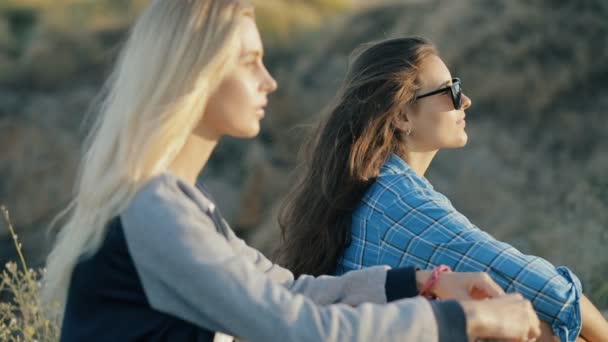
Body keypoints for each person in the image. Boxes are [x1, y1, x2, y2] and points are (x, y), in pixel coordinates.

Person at [42, 1, 542, 341]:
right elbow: (298, 329)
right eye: (251, 62)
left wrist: (423, 284)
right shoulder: (153, 212)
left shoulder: (180, 206)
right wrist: (461, 319)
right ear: (197, 73)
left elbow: (291, 291)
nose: (270, 81)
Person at [277, 36, 608, 342]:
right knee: (546, 331)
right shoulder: (398, 202)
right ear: (402, 116)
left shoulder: (370, 187)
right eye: (449, 91)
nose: (465, 100)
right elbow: (551, 291)